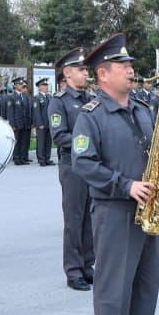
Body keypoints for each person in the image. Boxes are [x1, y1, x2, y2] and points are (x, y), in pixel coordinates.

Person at [71, 34, 159, 315]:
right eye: (124, 66)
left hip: (149, 206)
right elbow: (83, 163)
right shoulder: (90, 116)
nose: (131, 71)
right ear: (103, 74)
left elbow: (152, 153)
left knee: (147, 281)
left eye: (130, 65)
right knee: (114, 285)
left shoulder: (144, 109)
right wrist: (126, 185)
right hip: (115, 209)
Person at [47, 48, 96, 291]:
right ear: (67, 73)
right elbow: (59, 136)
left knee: (91, 217)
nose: (86, 73)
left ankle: (88, 265)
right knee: (75, 219)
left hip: (93, 166)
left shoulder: (91, 99)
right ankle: (74, 270)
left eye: (86, 69)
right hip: (73, 166)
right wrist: (87, 142)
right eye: (81, 69)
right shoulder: (59, 101)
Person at [7, 77, 33, 164]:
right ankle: (17, 158)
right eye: (19, 84)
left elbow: (26, 110)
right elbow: (10, 113)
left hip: (24, 123)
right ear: (15, 85)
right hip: (16, 124)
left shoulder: (24, 96)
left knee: (23, 141)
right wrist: (12, 125)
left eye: (22, 84)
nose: (21, 86)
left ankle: (22, 158)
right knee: (17, 142)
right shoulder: (11, 97)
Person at [33, 78, 55, 166]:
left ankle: (47, 158)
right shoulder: (37, 98)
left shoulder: (50, 97)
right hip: (41, 124)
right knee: (41, 142)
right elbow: (36, 112)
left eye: (46, 85)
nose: (46, 87)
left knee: (48, 142)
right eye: (44, 85)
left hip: (49, 123)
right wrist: (39, 124)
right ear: (39, 87)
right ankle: (41, 159)